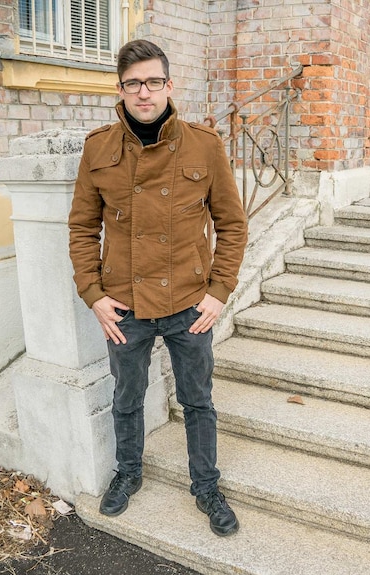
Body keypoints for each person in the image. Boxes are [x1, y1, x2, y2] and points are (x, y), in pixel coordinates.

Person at [68, 39, 248, 537]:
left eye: (152, 82)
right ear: (120, 90)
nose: (143, 92)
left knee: (197, 400)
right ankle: (128, 473)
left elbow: (231, 225)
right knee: (127, 397)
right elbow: (83, 228)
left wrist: (219, 290)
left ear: (169, 85)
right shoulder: (98, 147)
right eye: (132, 84)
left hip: (191, 303)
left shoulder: (204, 145)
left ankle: (207, 486)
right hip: (124, 304)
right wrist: (94, 295)